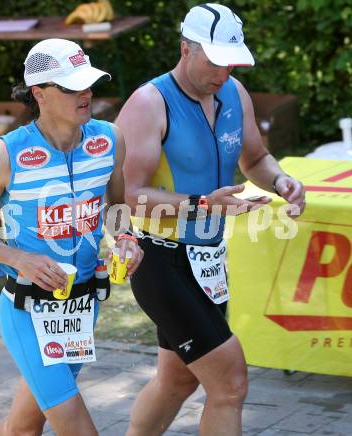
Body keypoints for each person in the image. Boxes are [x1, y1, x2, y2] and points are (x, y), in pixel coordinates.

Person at [116, 4, 306, 436]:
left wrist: (280, 180)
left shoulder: (234, 93)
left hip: (208, 260)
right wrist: (203, 205)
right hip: (159, 261)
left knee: (177, 379)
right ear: (186, 49)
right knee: (230, 383)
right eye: (215, 60)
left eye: (231, 61)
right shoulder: (149, 102)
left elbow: (254, 156)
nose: (223, 72)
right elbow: (129, 195)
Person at [0, 38, 143, 436]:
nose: (86, 94)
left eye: (88, 84)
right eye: (73, 87)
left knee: (22, 428)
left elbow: (116, 211)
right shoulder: (3, 155)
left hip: (82, 310)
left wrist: (126, 239)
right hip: (26, 312)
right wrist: (19, 258)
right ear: (39, 94)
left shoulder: (110, 139)